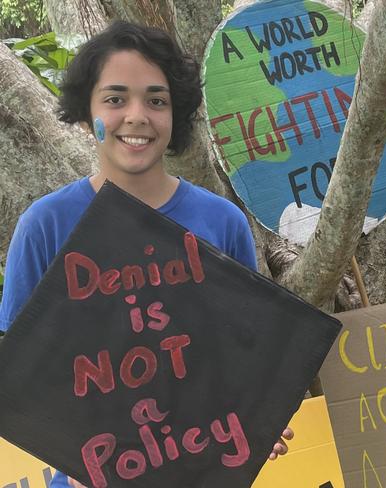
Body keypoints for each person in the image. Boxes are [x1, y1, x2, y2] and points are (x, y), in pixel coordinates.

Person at [0, 21, 292, 487]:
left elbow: (242, 353)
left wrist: (258, 415)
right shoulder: (46, 226)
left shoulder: (223, 223)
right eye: (115, 99)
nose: (137, 115)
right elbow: (21, 371)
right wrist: (68, 448)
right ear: (83, 113)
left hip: (205, 471)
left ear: (175, 114)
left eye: (156, 100)